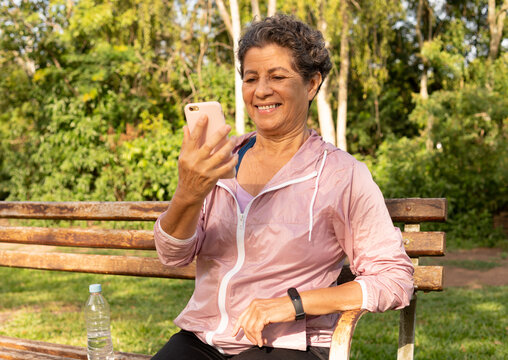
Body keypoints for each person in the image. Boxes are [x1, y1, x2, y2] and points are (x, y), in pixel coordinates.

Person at [152, 14, 414, 360]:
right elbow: (173, 256)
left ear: (311, 84)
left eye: (277, 76)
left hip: (287, 345)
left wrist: (294, 304)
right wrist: (188, 191)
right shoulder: (219, 161)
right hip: (204, 340)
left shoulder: (340, 175)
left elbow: (394, 278)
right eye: (251, 78)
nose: (261, 91)